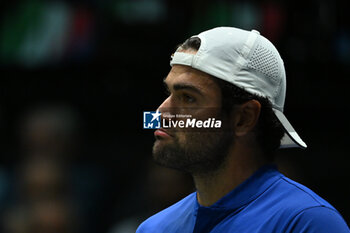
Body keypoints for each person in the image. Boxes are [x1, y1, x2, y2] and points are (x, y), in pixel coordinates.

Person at [136, 27, 350, 233]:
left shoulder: (308, 224)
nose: (161, 112)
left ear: (243, 118)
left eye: (188, 98)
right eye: (169, 93)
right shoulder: (154, 228)